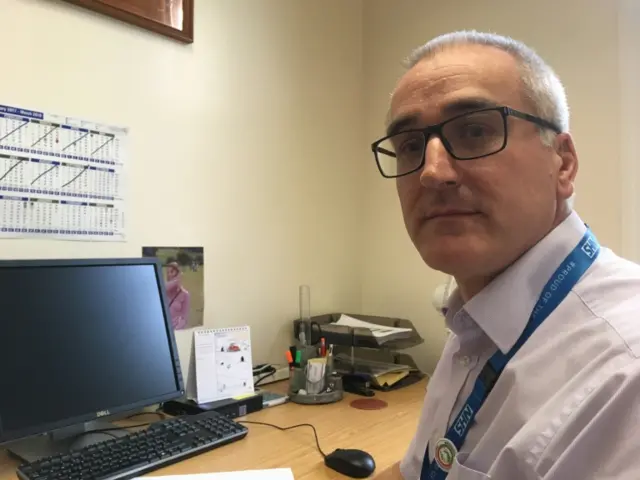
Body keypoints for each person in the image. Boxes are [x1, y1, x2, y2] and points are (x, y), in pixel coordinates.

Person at [372, 31, 640, 479]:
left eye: (474, 130)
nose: (432, 173)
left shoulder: (625, 373)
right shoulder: (472, 323)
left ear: (563, 163)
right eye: (411, 147)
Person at [165, 261, 190, 330]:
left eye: (172, 272)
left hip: (176, 329)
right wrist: (176, 281)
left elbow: (184, 318)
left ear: (178, 273)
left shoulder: (185, 294)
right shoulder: (164, 290)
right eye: (167, 272)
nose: (169, 275)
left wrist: (176, 329)